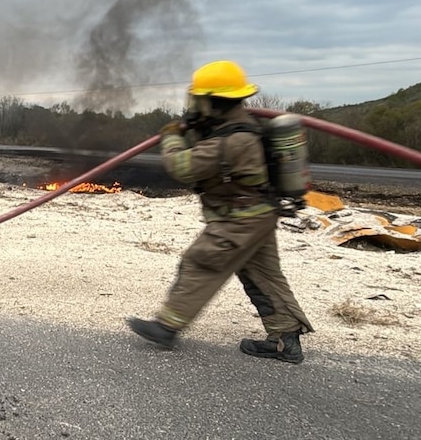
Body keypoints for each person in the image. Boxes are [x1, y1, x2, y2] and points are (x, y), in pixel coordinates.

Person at [127, 60, 313, 364]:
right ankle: (285, 341)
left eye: (199, 99)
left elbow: (182, 166)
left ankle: (167, 326)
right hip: (257, 215)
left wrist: (172, 137)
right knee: (263, 276)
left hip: (239, 219)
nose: (195, 105)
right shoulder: (237, 128)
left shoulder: (232, 140)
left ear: (214, 100)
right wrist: (195, 126)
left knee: (200, 262)